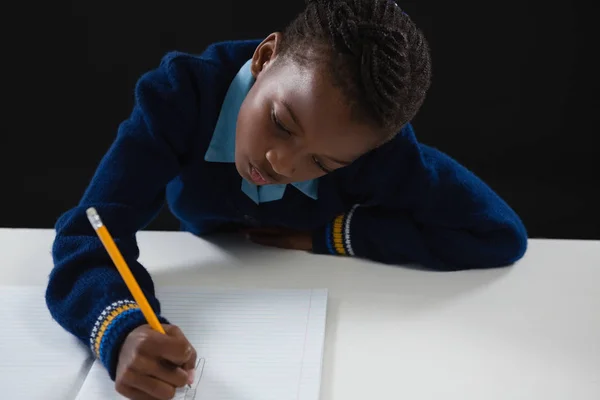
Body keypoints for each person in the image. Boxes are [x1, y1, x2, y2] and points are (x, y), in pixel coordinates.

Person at [46, 0, 527, 399]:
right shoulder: (180, 96)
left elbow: (497, 233)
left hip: (320, 286)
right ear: (264, 58)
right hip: (204, 246)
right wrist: (123, 329)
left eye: (322, 164)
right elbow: (85, 235)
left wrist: (335, 237)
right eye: (280, 122)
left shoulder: (381, 155)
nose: (280, 163)